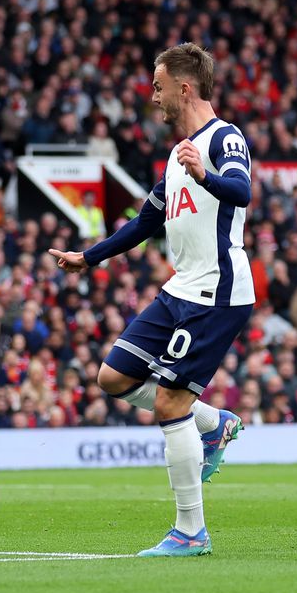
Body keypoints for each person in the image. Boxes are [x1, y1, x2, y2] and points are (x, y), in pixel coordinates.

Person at [49, 43, 255, 556]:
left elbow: (242, 191)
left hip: (216, 290)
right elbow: (147, 221)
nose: (154, 95)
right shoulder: (176, 151)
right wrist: (89, 257)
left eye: (159, 85)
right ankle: (216, 424)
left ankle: (191, 532)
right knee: (113, 377)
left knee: (169, 400)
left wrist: (205, 174)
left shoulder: (223, 138)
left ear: (185, 88)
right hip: (180, 287)